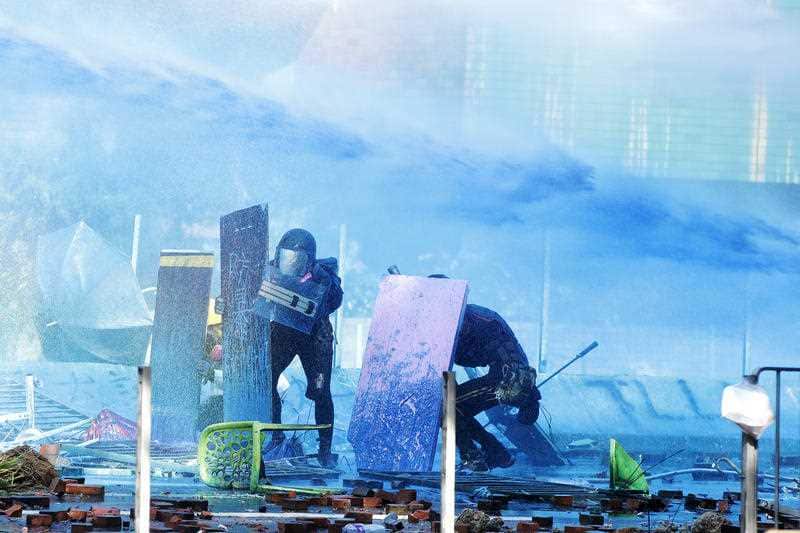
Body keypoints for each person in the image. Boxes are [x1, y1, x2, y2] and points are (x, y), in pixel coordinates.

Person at [429, 274, 541, 471]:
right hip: (511, 375)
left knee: (447, 409)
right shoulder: (472, 314)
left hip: (506, 378)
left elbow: (457, 355)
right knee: (454, 407)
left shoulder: (462, 318)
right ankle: (495, 452)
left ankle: (475, 456)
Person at [270, 229, 343, 467]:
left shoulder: (324, 275)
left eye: (298, 259)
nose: (291, 263)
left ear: (310, 260)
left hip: (315, 335)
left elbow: (335, 300)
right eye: (286, 257)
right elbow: (251, 294)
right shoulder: (271, 269)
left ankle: (325, 449)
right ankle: (275, 436)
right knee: (266, 380)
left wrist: (324, 280)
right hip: (284, 330)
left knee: (321, 391)